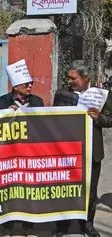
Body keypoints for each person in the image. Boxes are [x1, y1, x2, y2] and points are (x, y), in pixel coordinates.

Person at [53, 60, 112, 237]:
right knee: (65, 189)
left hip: (92, 151)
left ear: (86, 78)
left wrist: (99, 118)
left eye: (74, 78)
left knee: (90, 191)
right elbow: (53, 116)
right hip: (68, 151)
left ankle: (87, 225)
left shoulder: (102, 95)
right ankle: (62, 226)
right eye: (69, 78)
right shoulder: (62, 94)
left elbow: (110, 120)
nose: (70, 81)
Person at [0, 60, 43, 237]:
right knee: (8, 187)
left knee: (27, 187)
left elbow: (44, 123)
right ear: (15, 86)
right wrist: (5, 113)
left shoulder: (37, 101)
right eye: (26, 84)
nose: (30, 86)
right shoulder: (2, 101)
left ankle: (27, 224)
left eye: (31, 83)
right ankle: (6, 224)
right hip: (9, 153)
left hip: (30, 152)